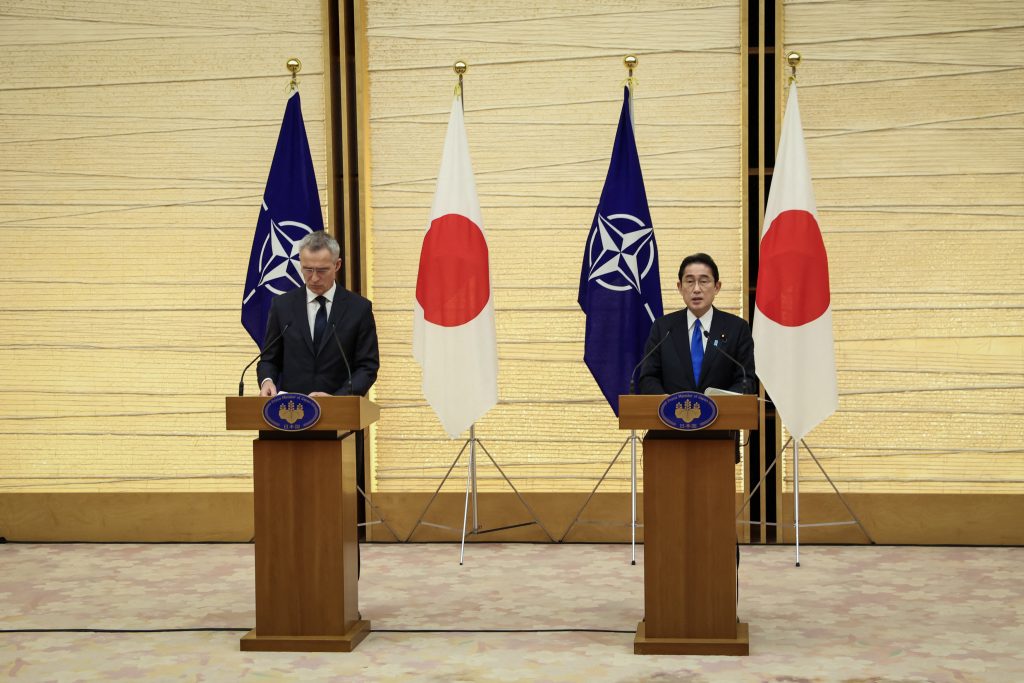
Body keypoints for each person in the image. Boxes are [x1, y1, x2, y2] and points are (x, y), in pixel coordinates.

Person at [258, 231, 379, 397]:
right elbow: (269, 359)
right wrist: (267, 381)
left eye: (322, 271)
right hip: (292, 413)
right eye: (308, 269)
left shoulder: (359, 309)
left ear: (337, 265)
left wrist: (338, 399)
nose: (314, 278)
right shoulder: (282, 306)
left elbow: (367, 367)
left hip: (341, 414)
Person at [638, 252, 755, 396]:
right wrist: (666, 403)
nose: (697, 289)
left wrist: (717, 404)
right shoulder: (663, 328)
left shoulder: (737, 328)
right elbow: (648, 378)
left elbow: (746, 380)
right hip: (672, 416)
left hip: (722, 416)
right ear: (680, 287)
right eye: (689, 281)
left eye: (704, 281)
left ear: (717, 287)